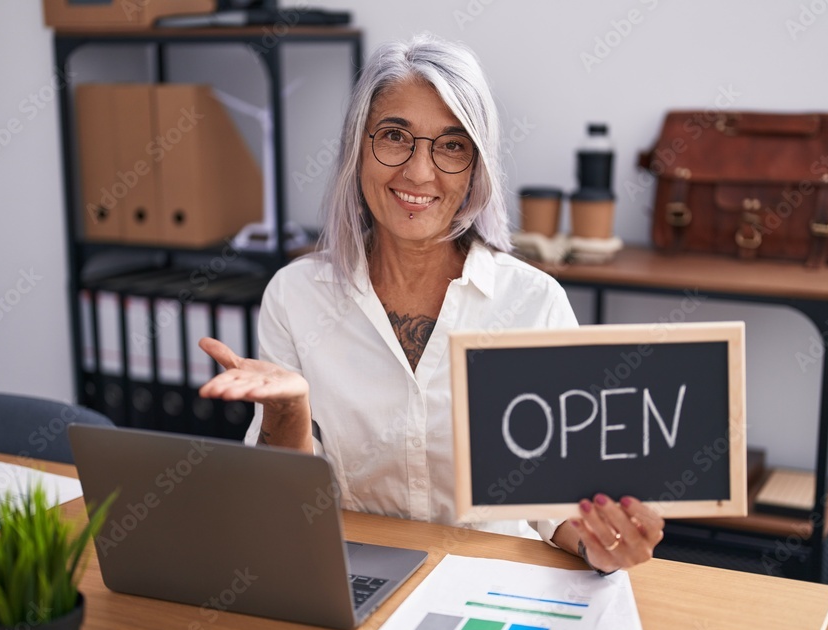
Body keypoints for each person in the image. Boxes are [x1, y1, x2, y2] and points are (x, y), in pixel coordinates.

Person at [199, 33, 663, 573]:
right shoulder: (296, 296)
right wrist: (288, 411)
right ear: (357, 148)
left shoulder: (533, 303)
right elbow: (287, 505)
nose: (419, 173)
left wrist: (599, 540)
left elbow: (556, 504)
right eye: (394, 137)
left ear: (474, 168)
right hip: (356, 575)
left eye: (451, 145)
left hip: (490, 583)